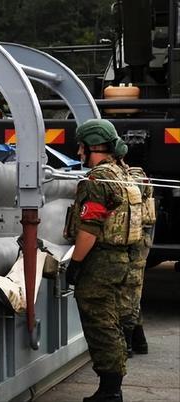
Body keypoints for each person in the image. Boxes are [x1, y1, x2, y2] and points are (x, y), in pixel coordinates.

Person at [64, 119, 143, 402]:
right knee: (113, 321)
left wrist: (76, 263)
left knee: (101, 324)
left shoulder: (97, 180)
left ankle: (110, 392)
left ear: (93, 146)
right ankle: (112, 387)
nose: (78, 152)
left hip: (100, 263)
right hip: (123, 260)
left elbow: (90, 227)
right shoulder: (123, 173)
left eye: (81, 146)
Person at [114, 139, 154, 357]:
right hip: (138, 240)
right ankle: (139, 339)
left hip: (136, 242)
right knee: (132, 290)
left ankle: (128, 343)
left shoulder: (133, 177)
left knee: (129, 290)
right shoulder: (131, 175)